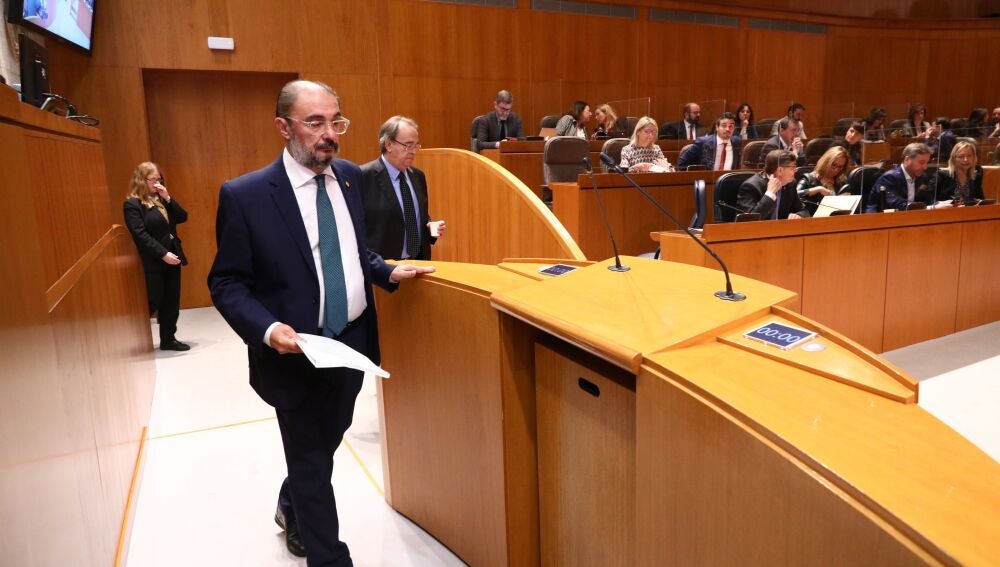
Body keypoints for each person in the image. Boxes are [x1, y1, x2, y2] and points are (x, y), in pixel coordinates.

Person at [207, 80, 434, 563]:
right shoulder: (246, 196)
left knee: (325, 441)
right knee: (311, 460)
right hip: (294, 354)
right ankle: (328, 555)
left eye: (336, 122)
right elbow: (226, 282)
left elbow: (352, 249)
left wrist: (386, 271)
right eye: (315, 123)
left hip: (352, 343)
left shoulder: (349, 177)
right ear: (283, 127)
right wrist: (269, 330)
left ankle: (290, 504)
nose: (329, 134)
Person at [123, 162, 190, 351]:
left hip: (173, 255)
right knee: (154, 298)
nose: (157, 183)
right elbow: (140, 234)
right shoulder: (132, 205)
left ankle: (168, 339)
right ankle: (130, 338)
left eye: (159, 179)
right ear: (141, 180)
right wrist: (163, 253)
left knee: (171, 300)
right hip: (153, 259)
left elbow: (183, 217)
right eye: (153, 179)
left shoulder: (161, 200)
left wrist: (168, 198)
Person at [361, 116, 445, 261]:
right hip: (385, 266)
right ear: (388, 145)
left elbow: (414, 213)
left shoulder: (418, 176)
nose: (413, 151)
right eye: (408, 145)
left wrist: (430, 226)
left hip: (418, 262)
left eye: (416, 146)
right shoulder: (363, 176)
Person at [737, 149, 810, 220]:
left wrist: (798, 215)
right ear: (780, 170)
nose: (796, 170)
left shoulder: (790, 184)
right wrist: (770, 194)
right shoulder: (751, 186)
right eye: (793, 167)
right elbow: (750, 219)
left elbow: (803, 211)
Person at [865, 142, 935, 212]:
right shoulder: (889, 178)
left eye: (927, 162)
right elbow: (898, 205)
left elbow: (929, 201)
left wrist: (938, 205)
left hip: (911, 216)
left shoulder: (922, 177)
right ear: (907, 159)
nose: (925, 167)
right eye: (921, 162)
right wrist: (930, 207)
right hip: (881, 217)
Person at [795, 146, 850, 214]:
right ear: (826, 162)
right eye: (833, 165)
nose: (836, 170)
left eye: (840, 167)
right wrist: (818, 189)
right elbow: (794, 196)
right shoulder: (809, 179)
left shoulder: (842, 182)